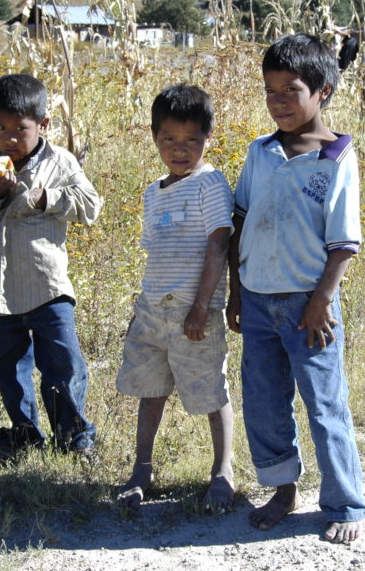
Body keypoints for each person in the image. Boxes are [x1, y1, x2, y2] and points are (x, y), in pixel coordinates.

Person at [226, 34, 365, 543]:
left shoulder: (336, 158)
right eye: (270, 91)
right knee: (264, 404)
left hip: (309, 307)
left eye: (292, 89)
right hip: (258, 300)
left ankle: (345, 503)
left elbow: (344, 244)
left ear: (323, 91)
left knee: (325, 406)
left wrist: (321, 302)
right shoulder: (260, 152)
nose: (279, 100)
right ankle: (284, 491)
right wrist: (236, 293)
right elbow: (239, 222)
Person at [0, 73, 101, 456]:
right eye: (0, 128)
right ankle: (25, 434)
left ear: (43, 125)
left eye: (19, 129)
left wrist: (46, 197)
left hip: (47, 288)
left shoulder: (60, 162)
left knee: (63, 366)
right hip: (0, 292)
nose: (9, 138)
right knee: (6, 371)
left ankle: (74, 438)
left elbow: (91, 207)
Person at [115, 83, 235, 512]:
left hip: (193, 311)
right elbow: (154, 254)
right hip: (153, 310)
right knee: (151, 389)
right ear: (154, 137)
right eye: (169, 139)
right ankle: (141, 470)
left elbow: (219, 246)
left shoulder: (210, 184)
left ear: (207, 139)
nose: (179, 149)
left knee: (211, 391)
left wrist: (202, 307)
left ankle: (223, 473)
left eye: (191, 140)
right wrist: (138, 309)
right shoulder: (153, 192)